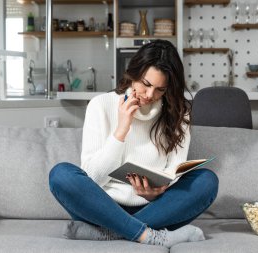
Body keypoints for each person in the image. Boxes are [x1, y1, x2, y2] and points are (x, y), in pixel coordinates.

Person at [49, 39, 219, 248]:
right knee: (61, 174)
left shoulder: (178, 114)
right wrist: (121, 129)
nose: (150, 95)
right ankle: (147, 235)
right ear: (133, 73)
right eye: (146, 84)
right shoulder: (100, 105)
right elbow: (92, 178)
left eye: (160, 90)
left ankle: (112, 232)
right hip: (101, 207)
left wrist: (154, 194)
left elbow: (174, 172)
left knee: (206, 181)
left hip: (156, 208)